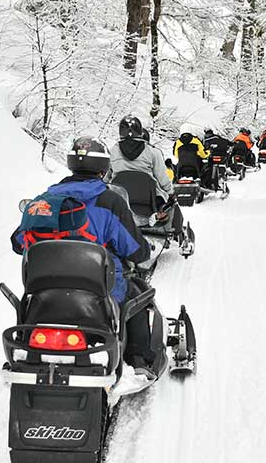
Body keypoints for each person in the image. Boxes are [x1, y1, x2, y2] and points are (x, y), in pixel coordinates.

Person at [11, 137, 164, 377]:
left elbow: (18, 243)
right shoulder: (110, 201)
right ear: (104, 169)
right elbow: (134, 249)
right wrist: (145, 250)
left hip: (45, 293)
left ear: (71, 164)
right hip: (97, 292)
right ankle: (138, 360)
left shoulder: (45, 200)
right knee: (138, 295)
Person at [110, 115, 187, 236]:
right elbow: (162, 177)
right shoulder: (152, 152)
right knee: (169, 203)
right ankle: (172, 229)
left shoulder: (113, 151)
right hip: (148, 200)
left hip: (119, 200)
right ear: (140, 131)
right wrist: (171, 192)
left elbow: (107, 176)